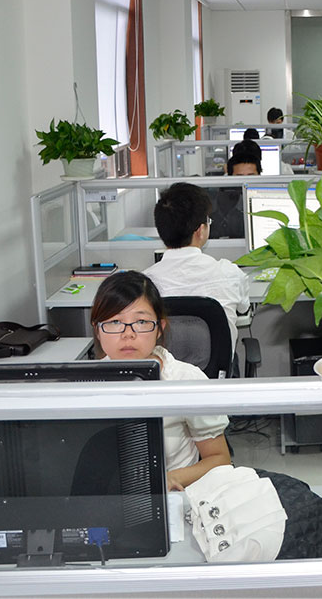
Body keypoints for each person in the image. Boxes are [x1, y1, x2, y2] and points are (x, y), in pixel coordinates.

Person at [91, 270, 231, 490]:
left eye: (141, 321)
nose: (128, 334)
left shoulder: (186, 380)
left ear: (159, 328)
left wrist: (170, 479)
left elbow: (220, 459)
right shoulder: (88, 384)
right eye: (115, 321)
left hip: (174, 496)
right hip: (108, 496)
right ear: (98, 331)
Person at [144, 183, 250, 351]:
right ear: (200, 231)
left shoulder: (144, 284)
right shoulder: (230, 273)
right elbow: (244, 308)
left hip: (165, 367)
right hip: (218, 368)